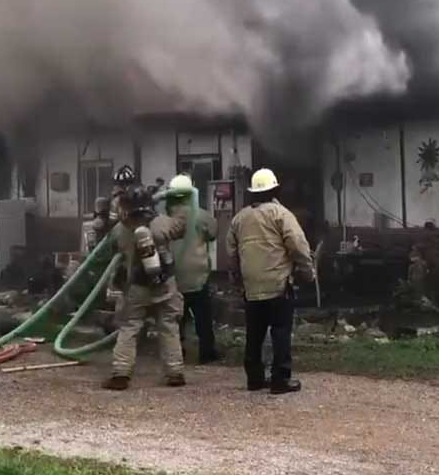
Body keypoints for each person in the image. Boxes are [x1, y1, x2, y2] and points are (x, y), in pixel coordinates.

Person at [227, 168, 315, 394]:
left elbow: (231, 252)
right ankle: (280, 379)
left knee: (254, 333)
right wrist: (308, 271)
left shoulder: (239, 218)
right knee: (280, 331)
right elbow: (298, 245)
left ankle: (254, 378)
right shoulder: (281, 214)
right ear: (275, 190)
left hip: (251, 286)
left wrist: (237, 278)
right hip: (278, 284)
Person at [104, 182, 187, 390]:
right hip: (164, 285)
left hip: (136, 287)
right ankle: (175, 372)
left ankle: (121, 373)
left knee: (129, 327)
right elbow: (181, 228)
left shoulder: (121, 230)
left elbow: (111, 248)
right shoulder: (162, 223)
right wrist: (177, 203)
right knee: (168, 326)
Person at [159, 174, 219, 364]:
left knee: (176, 318)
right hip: (198, 275)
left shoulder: (164, 218)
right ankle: (207, 352)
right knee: (203, 317)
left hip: (173, 275)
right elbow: (213, 232)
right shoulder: (200, 215)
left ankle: (177, 353)